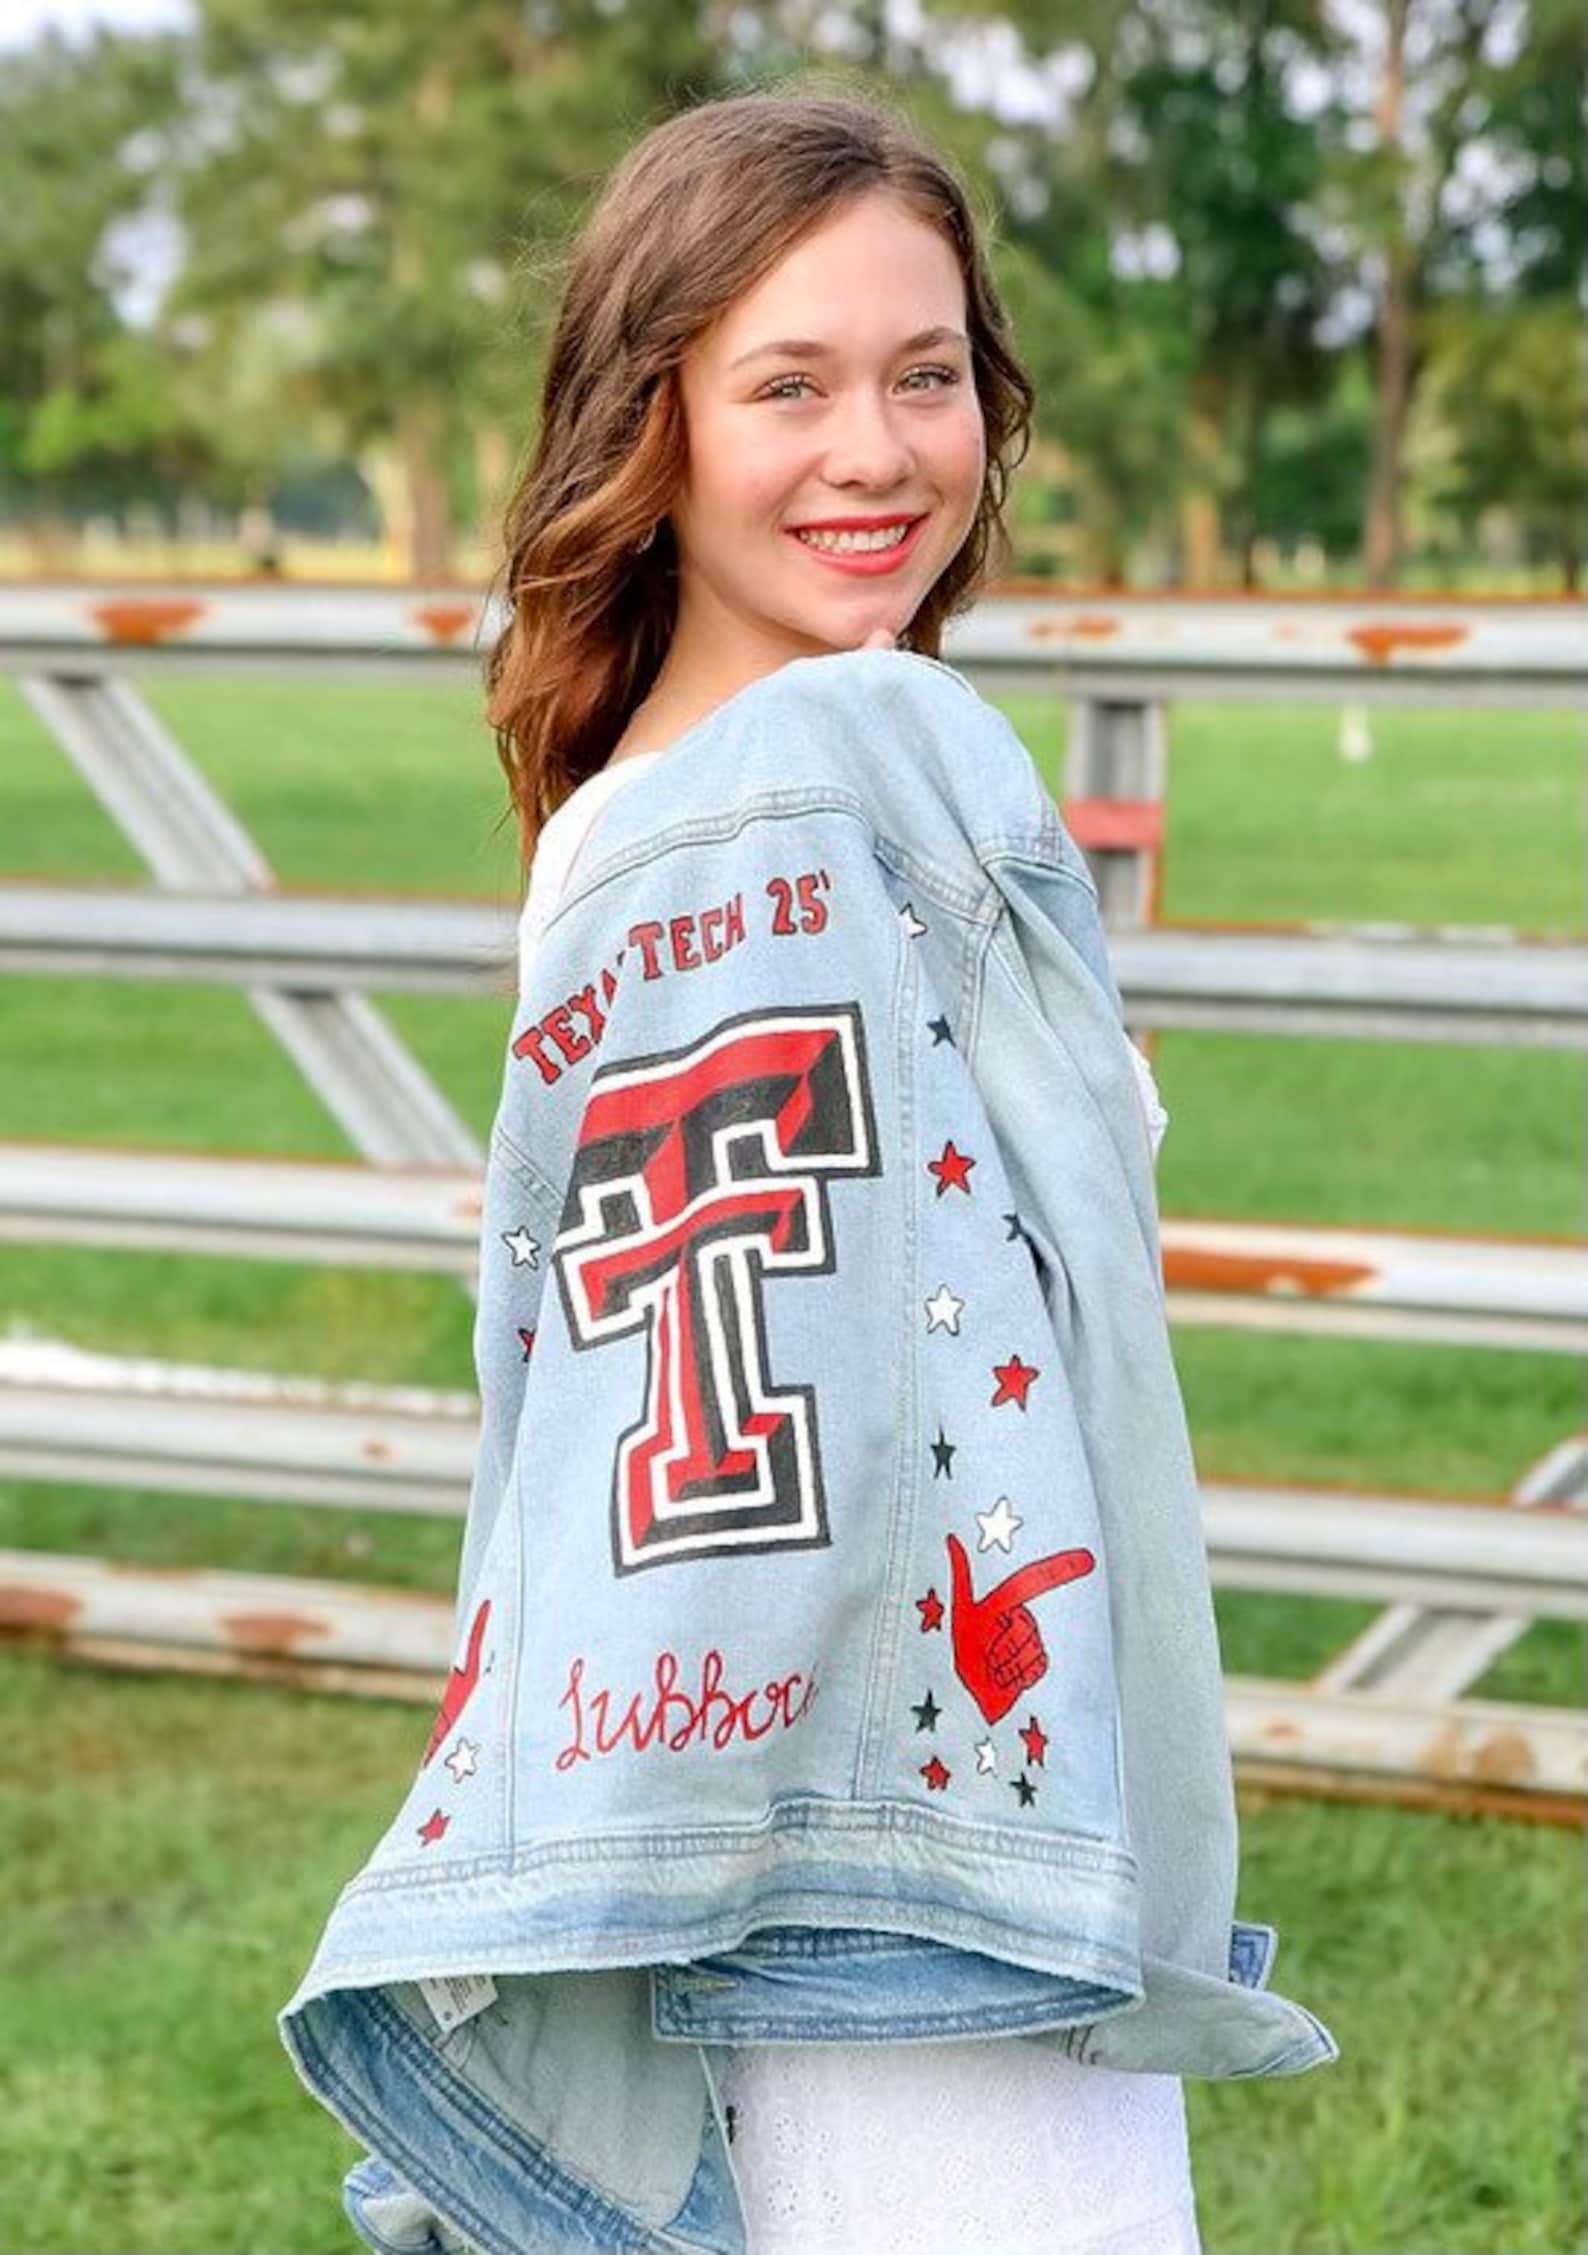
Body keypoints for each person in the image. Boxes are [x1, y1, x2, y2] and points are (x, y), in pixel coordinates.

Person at [278, 78, 1336, 2255]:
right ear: (645, 425)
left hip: (769, 1798)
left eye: (924, 375)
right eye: (788, 385)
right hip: (928, 1824)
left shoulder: (621, 826)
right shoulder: (840, 786)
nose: (875, 452)